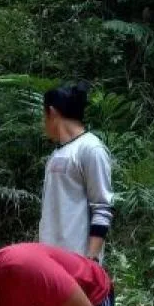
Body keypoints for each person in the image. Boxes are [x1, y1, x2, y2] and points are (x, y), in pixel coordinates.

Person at [39, 83, 114, 262]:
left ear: (52, 113)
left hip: (78, 261)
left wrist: (91, 260)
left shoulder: (91, 149)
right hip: (50, 259)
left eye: (44, 116)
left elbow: (102, 207)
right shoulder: (57, 154)